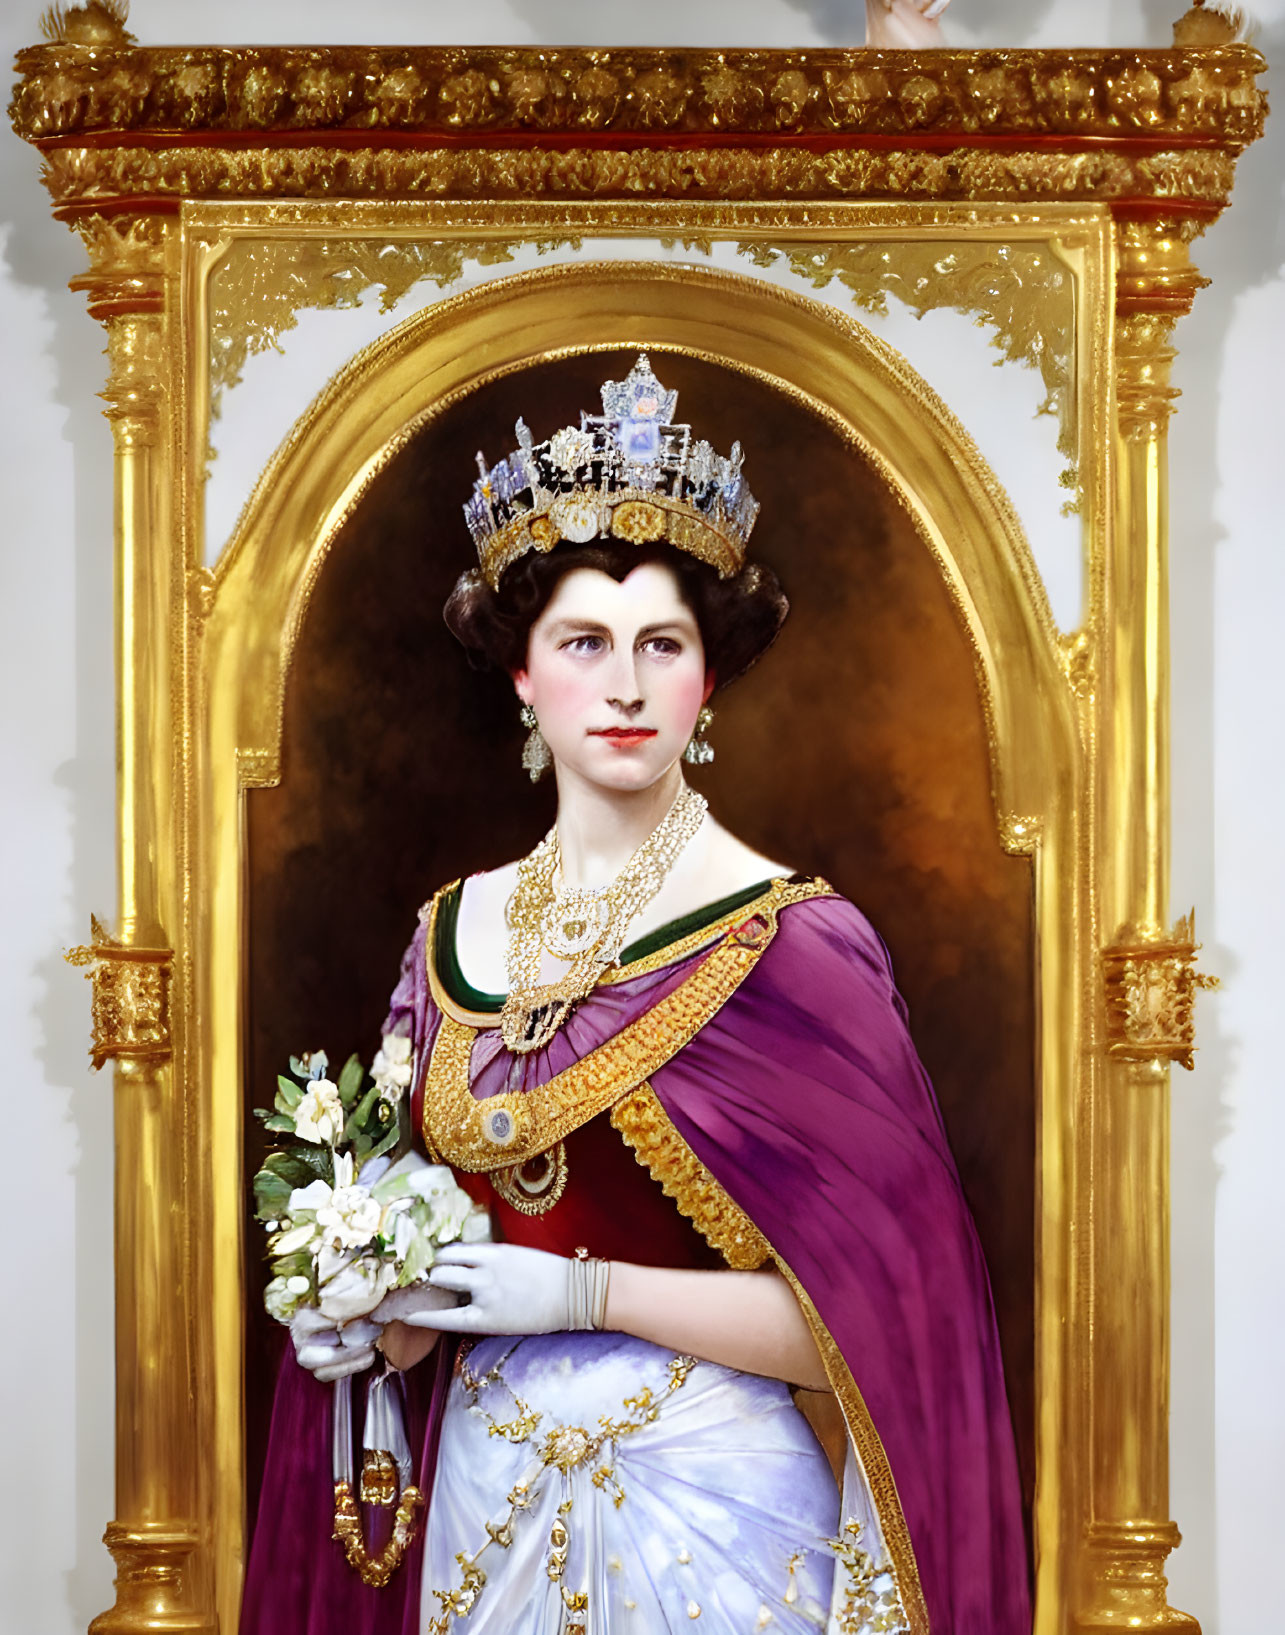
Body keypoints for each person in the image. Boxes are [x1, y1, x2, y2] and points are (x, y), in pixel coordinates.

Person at [241, 358, 1029, 1635]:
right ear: (521, 677)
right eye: (583, 644)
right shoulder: (450, 932)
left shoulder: (794, 942)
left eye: (661, 645)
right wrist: (368, 1326)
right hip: (480, 1508)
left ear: (705, 682)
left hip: (718, 1517)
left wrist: (585, 1297)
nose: (622, 685)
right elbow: (429, 1275)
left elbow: (889, 1326)